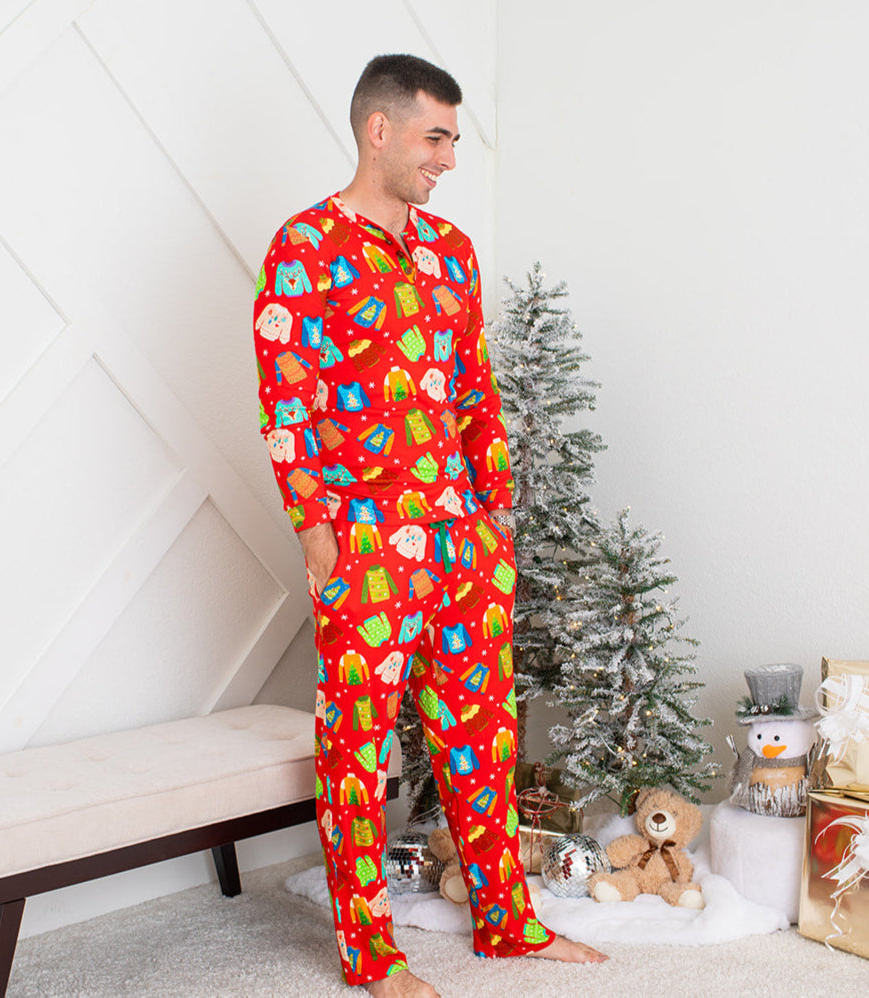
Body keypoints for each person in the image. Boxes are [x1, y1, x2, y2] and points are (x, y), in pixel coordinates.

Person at [253, 53, 607, 997]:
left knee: (483, 739)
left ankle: (508, 925)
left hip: (464, 545)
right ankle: (371, 957)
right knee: (358, 757)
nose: (448, 157)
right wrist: (319, 541)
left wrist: (495, 515)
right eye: (436, 136)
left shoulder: (450, 250)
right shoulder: (305, 248)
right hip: (367, 547)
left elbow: (474, 391)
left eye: (452, 137)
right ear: (381, 130)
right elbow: (287, 406)